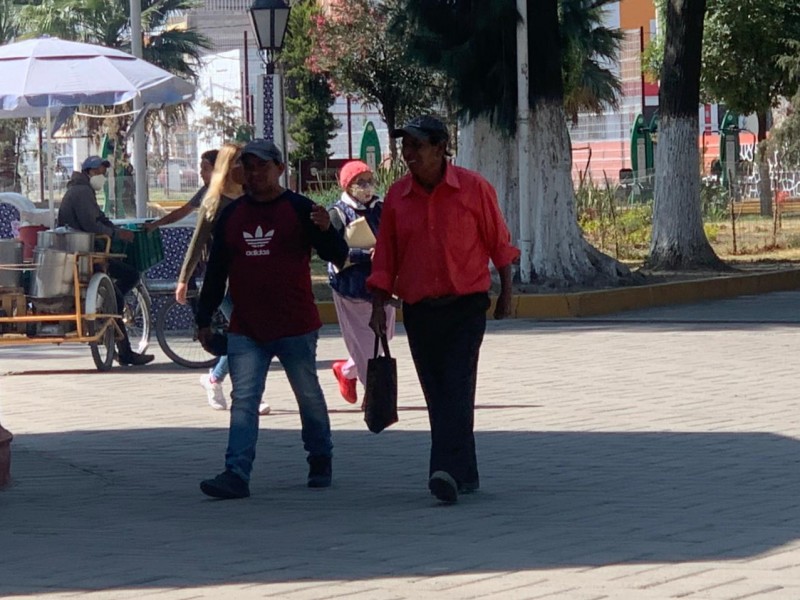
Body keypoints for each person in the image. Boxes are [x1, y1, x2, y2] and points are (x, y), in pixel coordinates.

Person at [367, 116, 519, 505]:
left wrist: (506, 292)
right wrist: (378, 302)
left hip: (466, 306)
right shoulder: (398, 198)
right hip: (419, 309)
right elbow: (386, 256)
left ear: (440, 148)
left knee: (455, 384)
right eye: (406, 147)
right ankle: (465, 471)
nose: (409, 154)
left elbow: (498, 242)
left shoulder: (473, 189)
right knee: (439, 392)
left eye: (417, 145)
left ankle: (444, 471)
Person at [195, 139, 348, 499]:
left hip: (295, 325)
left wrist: (327, 230)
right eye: (248, 166)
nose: (255, 173)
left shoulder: (301, 209)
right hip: (247, 328)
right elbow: (216, 271)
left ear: (280, 169)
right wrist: (204, 318)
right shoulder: (232, 216)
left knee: (307, 396)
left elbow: (338, 256)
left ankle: (320, 457)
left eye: (262, 166)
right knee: (244, 399)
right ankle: (236, 473)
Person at [173, 144, 265, 414]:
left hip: (253, 279)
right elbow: (197, 240)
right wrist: (183, 279)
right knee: (248, 336)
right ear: (227, 167)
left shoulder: (253, 198)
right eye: (238, 162)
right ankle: (242, 390)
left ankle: (218, 379)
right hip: (223, 282)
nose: (244, 169)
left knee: (249, 337)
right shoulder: (214, 201)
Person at [57, 155, 155, 366]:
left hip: (88, 252)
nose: (102, 177)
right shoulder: (82, 192)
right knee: (120, 292)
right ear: (90, 172)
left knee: (126, 279)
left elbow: (99, 218)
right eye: (100, 173)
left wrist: (115, 229)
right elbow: (92, 225)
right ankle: (125, 351)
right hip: (84, 255)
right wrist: (117, 234)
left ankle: (108, 314)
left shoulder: (82, 190)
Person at [327, 160, 396, 406]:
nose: (367, 187)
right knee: (367, 347)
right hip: (351, 289)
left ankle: (346, 371)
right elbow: (333, 252)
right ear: (347, 186)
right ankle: (374, 397)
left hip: (382, 287)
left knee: (382, 338)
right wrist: (366, 255)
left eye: (370, 181)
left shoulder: (382, 208)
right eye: (360, 182)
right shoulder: (337, 214)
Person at [144, 149, 219, 232]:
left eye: (205, 169)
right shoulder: (205, 191)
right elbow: (183, 211)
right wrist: (155, 224)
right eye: (201, 169)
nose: (201, 173)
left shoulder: (226, 194)